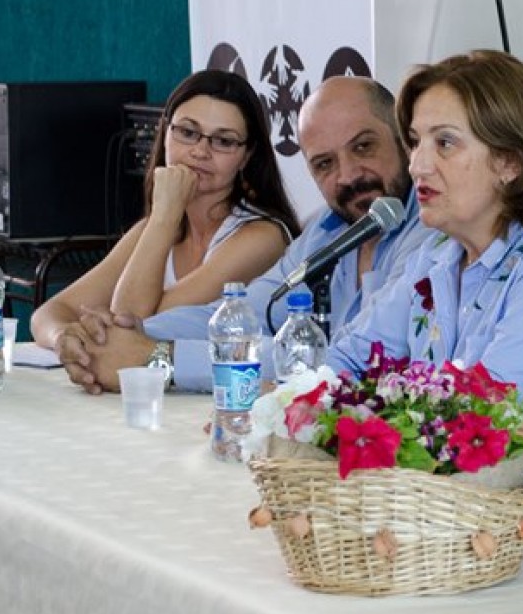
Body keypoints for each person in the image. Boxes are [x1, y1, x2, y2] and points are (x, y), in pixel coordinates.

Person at [64, 75, 429, 393]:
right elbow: (252, 312)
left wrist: (160, 358)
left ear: (404, 140)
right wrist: (116, 335)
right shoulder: (327, 229)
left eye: (363, 147)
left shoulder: (431, 234)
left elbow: (343, 359)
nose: (348, 175)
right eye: (324, 164)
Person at [326, 50, 523, 408]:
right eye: (415, 142)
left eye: (444, 143)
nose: (417, 165)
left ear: (510, 161)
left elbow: (489, 411)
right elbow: (347, 363)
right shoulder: (437, 252)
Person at [31, 70, 300, 360]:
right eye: (187, 132)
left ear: (247, 156)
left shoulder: (261, 237)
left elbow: (135, 328)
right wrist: (66, 337)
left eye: (223, 141)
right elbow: (50, 313)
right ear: (165, 133)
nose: (200, 151)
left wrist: (163, 217)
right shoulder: (155, 226)